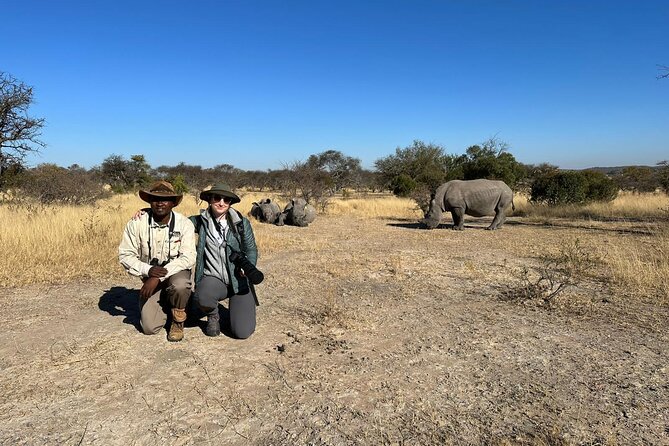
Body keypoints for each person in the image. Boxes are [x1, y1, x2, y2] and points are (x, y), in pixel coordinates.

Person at [118, 180, 196, 342]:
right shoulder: (136, 223)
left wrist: (157, 276)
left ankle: (178, 320)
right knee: (149, 328)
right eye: (155, 198)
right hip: (150, 275)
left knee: (181, 285)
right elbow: (125, 255)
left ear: (173, 203)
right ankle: (166, 302)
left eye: (165, 199)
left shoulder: (184, 223)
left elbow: (188, 257)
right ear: (149, 202)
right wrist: (147, 270)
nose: (160, 203)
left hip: (175, 274)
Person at [190, 182, 258, 338]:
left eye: (226, 200)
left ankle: (241, 309)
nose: (221, 202)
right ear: (210, 200)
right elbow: (173, 220)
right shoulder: (200, 221)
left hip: (238, 280)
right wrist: (147, 211)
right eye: (217, 198)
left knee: (242, 332)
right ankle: (213, 314)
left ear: (230, 203)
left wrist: (248, 267)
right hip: (213, 278)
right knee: (202, 295)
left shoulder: (241, 223)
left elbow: (251, 249)